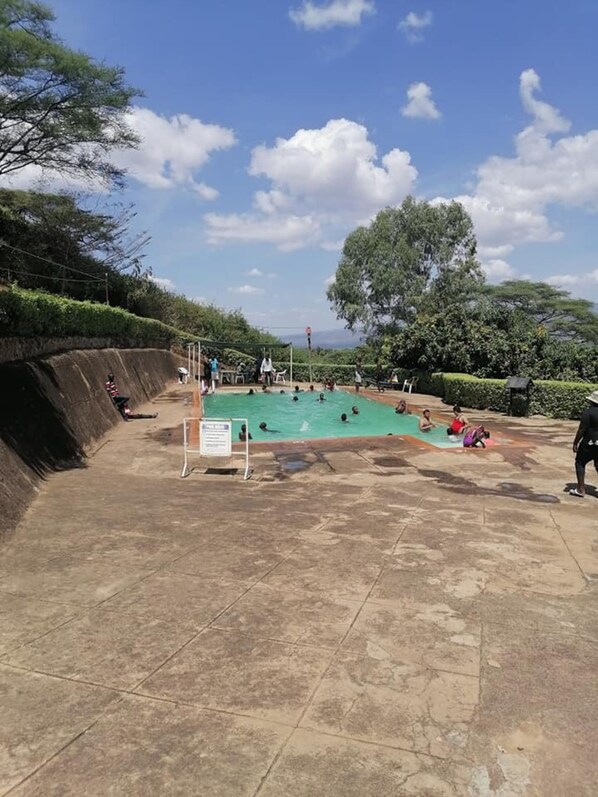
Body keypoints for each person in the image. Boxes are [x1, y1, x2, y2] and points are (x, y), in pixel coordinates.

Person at [570, 390, 598, 497]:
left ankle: (581, 490)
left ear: (592, 401)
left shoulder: (588, 412)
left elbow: (582, 429)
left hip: (589, 443)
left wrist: (575, 442)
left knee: (580, 463)